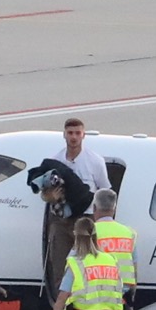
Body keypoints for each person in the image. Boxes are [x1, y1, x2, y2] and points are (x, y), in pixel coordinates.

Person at [45, 118, 112, 298]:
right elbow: (44, 194)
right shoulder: (55, 160)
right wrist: (51, 197)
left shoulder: (95, 161)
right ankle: (63, 308)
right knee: (59, 265)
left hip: (85, 219)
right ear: (64, 135)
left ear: (83, 135)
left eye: (77, 133)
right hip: (60, 220)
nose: (73, 137)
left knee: (86, 263)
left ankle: (86, 303)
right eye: (70, 133)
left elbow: (105, 190)